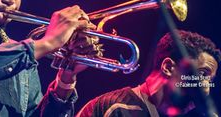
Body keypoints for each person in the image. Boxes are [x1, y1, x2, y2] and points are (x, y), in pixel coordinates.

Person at [77, 30, 221, 117]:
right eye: (202, 75)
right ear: (168, 67)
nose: (206, 89)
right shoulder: (118, 109)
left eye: (209, 80)